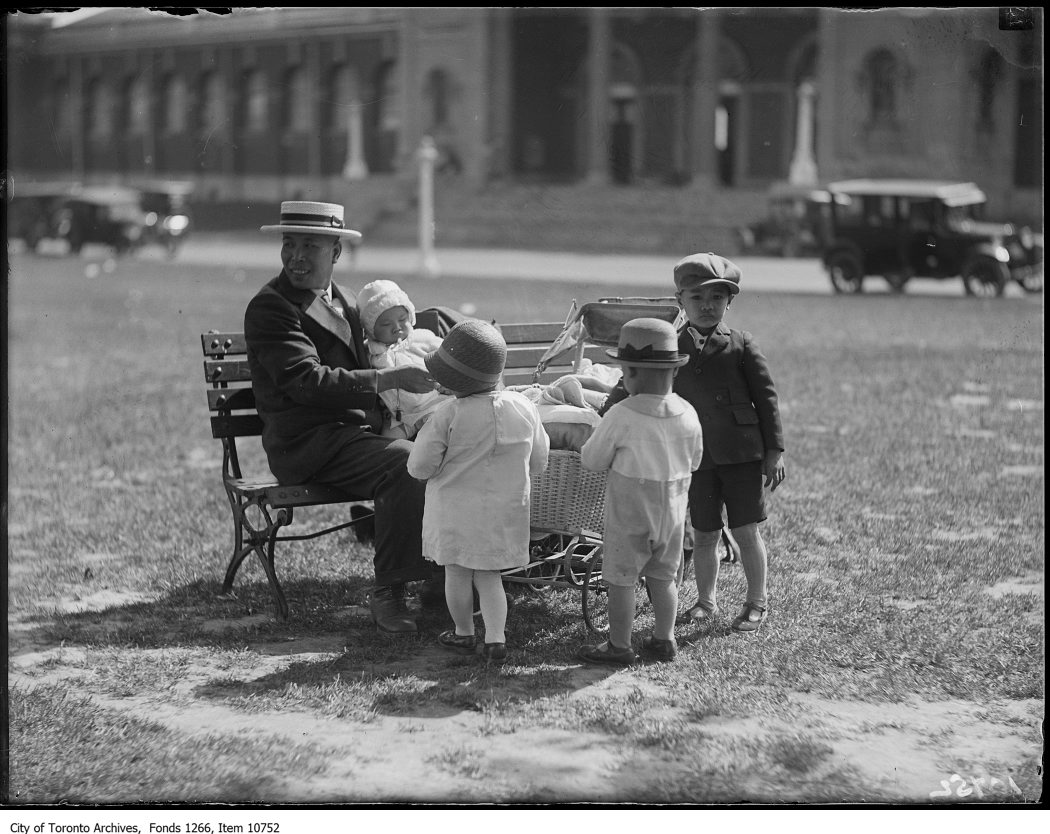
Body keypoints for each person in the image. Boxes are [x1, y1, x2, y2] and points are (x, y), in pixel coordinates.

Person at [243, 200, 441, 636]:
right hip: (306, 444)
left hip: (354, 437)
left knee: (445, 446)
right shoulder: (272, 307)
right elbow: (305, 381)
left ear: (335, 252)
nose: (296, 256)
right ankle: (390, 591)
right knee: (405, 462)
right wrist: (389, 378)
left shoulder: (348, 300)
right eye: (289, 244)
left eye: (309, 246)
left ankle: (445, 578)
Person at [407, 320, 550, 664]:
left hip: (455, 513)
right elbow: (539, 461)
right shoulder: (524, 407)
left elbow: (419, 467)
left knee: (457, 574)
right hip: (503, 513)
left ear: (453, 381)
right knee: (489, 576)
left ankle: (463, 631)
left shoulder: (447, 414)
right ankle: (496, 639)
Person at [576, 318, 703, 665]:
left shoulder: (621, 414)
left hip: (630, 511)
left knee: (622, 579)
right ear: (674, 371)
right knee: (663, 577)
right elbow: (694, 461)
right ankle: (665, 638)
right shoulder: (688, 413)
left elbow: (592, 459)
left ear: (630, 373)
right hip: (672, 512)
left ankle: (619, 644)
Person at [671, 252, 786, 633]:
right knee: (704, 533)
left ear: (729, 302)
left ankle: (757, 601)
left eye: (717, 298)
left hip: (741, 456)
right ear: (679, 300)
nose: (707, 306)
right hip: (696, 458)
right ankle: (705, 601)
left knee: (746, 530)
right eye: (697, 297)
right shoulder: (670, 346)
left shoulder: (741, 344)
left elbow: (766, 399)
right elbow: (638, 385)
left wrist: (774, 451)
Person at [356, 279, 454, 440]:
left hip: (433, 404)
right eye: (386, 324)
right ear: (371, 329)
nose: (397, 327)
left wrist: (449, 383)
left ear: (410, 317)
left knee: (439, 434)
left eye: (402, 319)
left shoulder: (422, 338)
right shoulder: (371, 352)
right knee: (388, 444)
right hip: (400, 418)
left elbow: (449, 357)